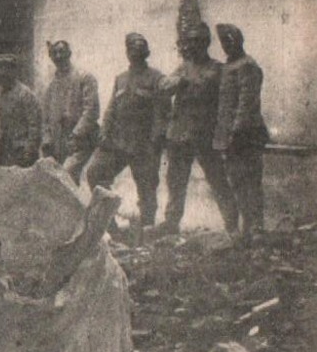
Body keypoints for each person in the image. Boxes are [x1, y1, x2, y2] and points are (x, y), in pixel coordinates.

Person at [159, 23, 238, 235]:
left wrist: (224, 133)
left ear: (206, 42)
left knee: (218, 180)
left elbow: (228, 103)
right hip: (180, 134)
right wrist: (179, 80)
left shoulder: (217, 69)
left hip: (205, 135)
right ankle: (171, 223)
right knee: (176, 182)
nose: (193, 45)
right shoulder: (183, 67)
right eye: (190, 41)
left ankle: (232, 225)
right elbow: (164, 87)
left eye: (198, 40)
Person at [86, 33, 170, 226]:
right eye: (132, 48)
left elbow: (162, 111)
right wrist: (104, 132)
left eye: (140, 48)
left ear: (146, 52)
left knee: (147, 187)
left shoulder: (156, 78)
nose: (136, 52)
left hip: (144, 144)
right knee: (95, 173)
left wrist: (156, 139)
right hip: (118, 142)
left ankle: (147, 226)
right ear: (127, 52)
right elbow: (111, 109)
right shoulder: (121, 79)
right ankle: (109, 224)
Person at [214, 24, 269, 241]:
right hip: (230, 137)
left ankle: (256, 228)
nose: (227, 46)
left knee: (251, 180)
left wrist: (236, 131)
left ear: (239, 41)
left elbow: (247, 102)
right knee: (236, 180)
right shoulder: (227, 67)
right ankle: (246, 227)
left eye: (230, 41)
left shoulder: (248, 66)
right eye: (224, 43)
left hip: (247, 135)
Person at [41, 40, 99, 179]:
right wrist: (47, 137)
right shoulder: (51, 85)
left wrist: (76, 134)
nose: (59, 56)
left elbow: (91, 111)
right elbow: (45, 116)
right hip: (58, 142)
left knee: (66, 175)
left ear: (69, 54)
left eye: (62, 52)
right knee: (58, 182)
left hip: (81, 141)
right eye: (55, 53)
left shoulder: (84, 77)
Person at [0, 53, 41, 168]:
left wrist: (29, 151)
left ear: (14, 71)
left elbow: (34, 125)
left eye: (8, 68)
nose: (3, 72)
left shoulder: (25, 94)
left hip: (21, 151)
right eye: (1, 68)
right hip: (3, 151)